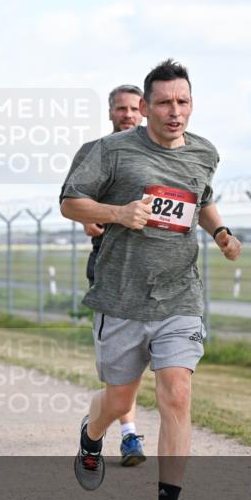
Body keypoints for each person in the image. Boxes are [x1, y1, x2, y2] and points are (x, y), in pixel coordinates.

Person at [60, 59, 241, 500]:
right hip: (121, 296)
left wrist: (220, 232)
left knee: (176, 392)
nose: (174, 111)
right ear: (144, 107)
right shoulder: (112, 151)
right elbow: (70, 202)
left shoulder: (204, 152)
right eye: (163, 102)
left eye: (182, 102)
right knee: (119, 401)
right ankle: (93, 432)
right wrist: (118, 212)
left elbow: (199, 199)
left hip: (180, 294)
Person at [73, 83, 148, 467]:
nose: (129, 115)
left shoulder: (157, 153)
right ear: (110, 113)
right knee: (123, 358)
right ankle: (129, 433)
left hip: (152, 271)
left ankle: (120, 428)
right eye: (122, 109)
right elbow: (75, 203)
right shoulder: (97, 153)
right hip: (110, 266)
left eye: (135, 108)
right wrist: (98, 217)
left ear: (145, 110)